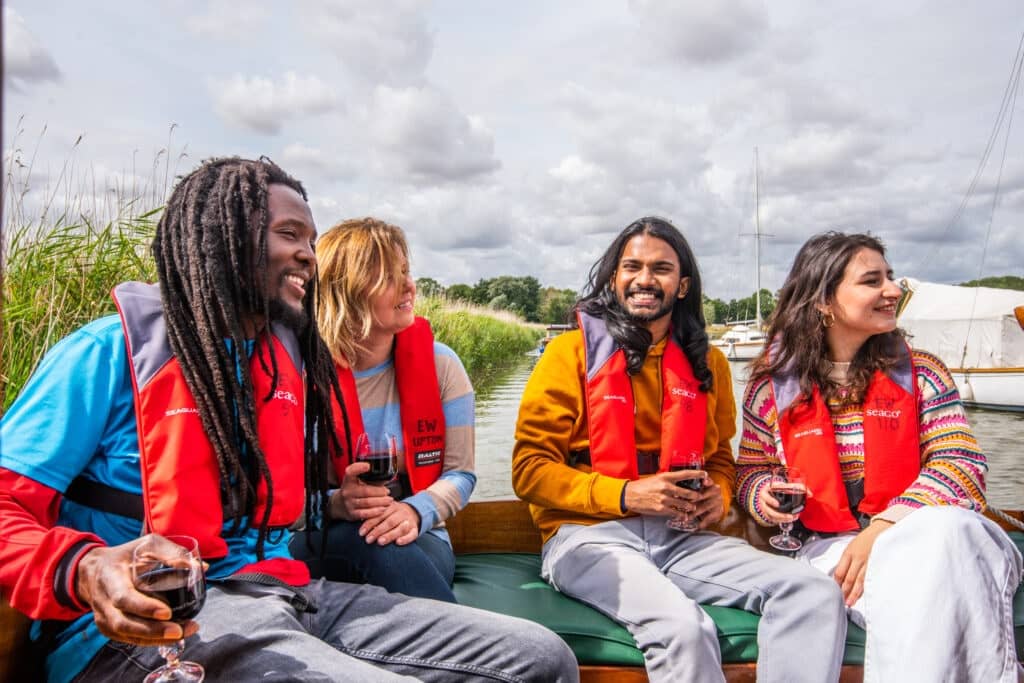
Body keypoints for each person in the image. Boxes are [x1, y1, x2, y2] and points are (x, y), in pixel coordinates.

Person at [0, 157, 578, 683]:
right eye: (289, 235)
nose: (309, 254)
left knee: (541, 658)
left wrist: (345, 505)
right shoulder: (106, 354)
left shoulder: (285, 368)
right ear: (223, 241)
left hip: (280, 591)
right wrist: (86, 566)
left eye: (312, 239)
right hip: (143, 631)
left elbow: (281, 508)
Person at [512, 216, 847, 683]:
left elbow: (720, 461)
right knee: (684, 628)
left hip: (681, 536)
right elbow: (529, 472)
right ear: (614, 278)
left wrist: (721, 495)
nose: (645, 279)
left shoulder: (708, 365)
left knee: (813, 591)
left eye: (661, 269)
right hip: (587, 538)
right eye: (633, 266)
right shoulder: (568, 355)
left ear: (683, 285)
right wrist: (628, 496)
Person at [735, 231, 1024, 682]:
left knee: (948, 531)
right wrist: (764, 496)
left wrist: (884, 528)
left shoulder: (923, 372)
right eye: (873, 281)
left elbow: (961, 465)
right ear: (823, 302)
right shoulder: (771, 389)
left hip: (923, 535)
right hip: (832, 548)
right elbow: (751, 472)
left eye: (890, 277)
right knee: (937, 571)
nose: (894, 290)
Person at [290, 218, 474, 603]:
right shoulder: (297, 377)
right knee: (362, 540)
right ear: (349, 291)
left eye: (406, 271)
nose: (410, 287)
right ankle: (473, 646)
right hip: (322, 534)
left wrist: (414, 512)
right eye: (390, 277)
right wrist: (335, 503)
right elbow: (272, 498)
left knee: (381, 547)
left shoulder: (442, 365)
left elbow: (460, 474)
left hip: (421, 537)